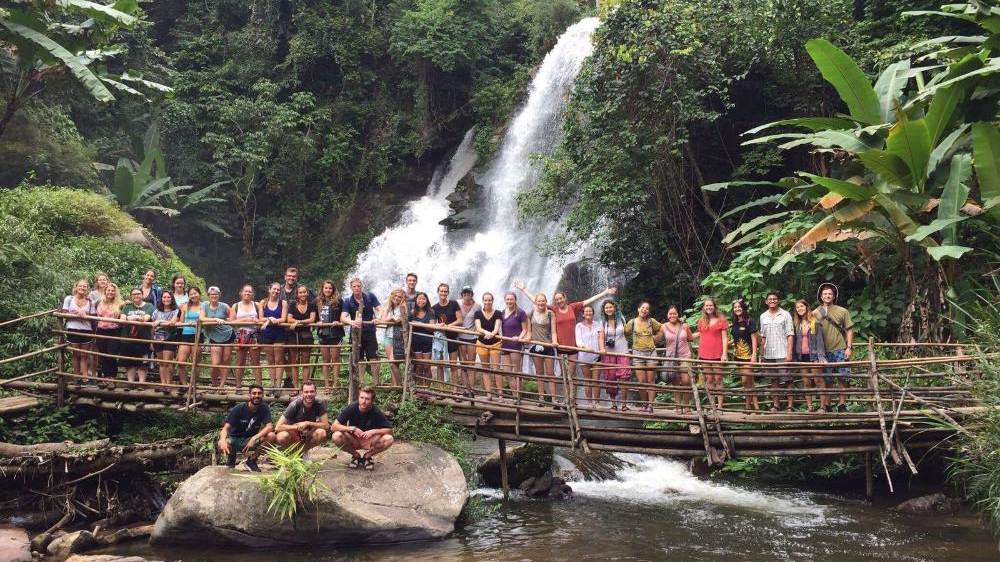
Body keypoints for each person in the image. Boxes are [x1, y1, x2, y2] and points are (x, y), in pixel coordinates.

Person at [515, 282, 617, 402]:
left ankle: (572, 399)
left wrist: (604, 293)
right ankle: (566, 399)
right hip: (560, 347)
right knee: (564, 375)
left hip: (573, 347)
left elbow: (589, 301)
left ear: (565, 298)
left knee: (571, 374)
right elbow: (537, 301)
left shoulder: (573, 307)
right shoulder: (553, 310)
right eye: (557, 299)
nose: (559, 301)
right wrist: (524, 289)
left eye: (561, 298)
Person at [330, 386, 394, 471]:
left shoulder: (376, 411)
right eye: (361, 398)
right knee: (336, 436)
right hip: (353, 439)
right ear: (358, 397)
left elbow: (390, 430)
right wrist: (352, 428)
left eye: (367, 399)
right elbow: (333, 427)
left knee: (389, 439)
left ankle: (367, 457)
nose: (363, 401)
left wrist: (373, 431)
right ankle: (356, 455)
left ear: (372, 401)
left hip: (369, 440)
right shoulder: (352, 407)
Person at [814, 283, 854, 413]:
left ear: (834, 295)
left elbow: (849, 330)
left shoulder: (842, 311)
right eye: (825, 294)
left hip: (840, 348)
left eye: (830, 294)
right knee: (828, 379)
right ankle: (828, 404)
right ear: (821, 296)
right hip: (823, 351)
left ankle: (842, 404)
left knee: (842, 377)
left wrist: (849, 347)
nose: (827, 296)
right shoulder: (815, 313)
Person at [218, 384, 274, 471]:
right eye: (254, 393)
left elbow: (270, 427)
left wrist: (254, 438)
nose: (256, 396)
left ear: (262, 395)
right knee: (221, 443)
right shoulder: (239, 408)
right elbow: (225, 428)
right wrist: (222, 440)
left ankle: (251, 461)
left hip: (251, 440)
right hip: (235, 439)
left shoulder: (264, 407)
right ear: (249, 395)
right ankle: (231, 459)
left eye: (259, 393)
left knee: (271, 436)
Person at [341, 278, 382, 384]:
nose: (356, 288)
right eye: (354, 286)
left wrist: (378, 318)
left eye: (358, 286)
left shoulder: (370, 296)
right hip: (355, 333)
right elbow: (343, 317)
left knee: (373, 357)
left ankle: (376, 383)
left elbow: (380, 309)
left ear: (362, 286)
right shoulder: (347, 301)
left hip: (370, 332)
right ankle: (360, 383)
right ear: (351, 288)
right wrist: (351, 322)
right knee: (359, 359)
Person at [758, 292, 794, 411]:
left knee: (788, 379)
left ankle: (790, 405)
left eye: (774, 299)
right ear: (766, 302)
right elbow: (763, 337)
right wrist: (761, 354)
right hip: (769, 353)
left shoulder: (785, 314)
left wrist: (789, 353)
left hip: (783, 352)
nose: (772, 301)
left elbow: (790, 334)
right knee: (774, 379)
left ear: (778, 301)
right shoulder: (763, 316)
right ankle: (776, 405)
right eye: (770, 299)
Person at [625, 302, 662, 413]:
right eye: (643, 307)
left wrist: (657, 339)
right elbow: (625, 332)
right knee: (641, 381)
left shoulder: (652, 322)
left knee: (651, 380)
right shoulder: (632, 322)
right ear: (638, 309)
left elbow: (663, 328)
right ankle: (644, 403)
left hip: (651, 353)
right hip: (637, 354)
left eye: (647, 308)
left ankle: (650, 405)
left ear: (648, 312)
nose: (644, 310)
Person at [793, 299, 827, 412]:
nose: (799, 309)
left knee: (818, 381)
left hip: (814, 356)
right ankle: (810, 407)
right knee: (806, 382)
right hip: (802, 357)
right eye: (797, 307)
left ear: (807, 307)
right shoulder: (797, 324)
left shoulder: (815, 322)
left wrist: (821, 357)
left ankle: (823, 407)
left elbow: (820, 341)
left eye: (801, 306)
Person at [274, 382, 329, 453]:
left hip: (309, 432)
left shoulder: (319, 403)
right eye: (306, 392)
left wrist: (307, 423)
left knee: (321, 433)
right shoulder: (294, 404)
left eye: (312, 391)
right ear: (302, 393)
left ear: (316, 393)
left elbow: (326, 425)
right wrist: (297, 427)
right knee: (282, 436)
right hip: (292, 433)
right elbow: (278, 427)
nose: (309, 394)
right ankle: (291, 452)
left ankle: (303, 453)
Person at [694, 298, 728, 409]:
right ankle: (712, 404)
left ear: (714, 306)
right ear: (704, 307)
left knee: (718, 379)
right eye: (706, 306)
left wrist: (724, 354)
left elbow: (724, 338)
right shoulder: (701, 321)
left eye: (710, 305)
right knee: (708, 379)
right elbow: (700, 334)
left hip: (718, 354)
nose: (708, 307)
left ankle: (720, 405)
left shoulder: (721, 320)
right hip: (704, 354)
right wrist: (685, 333)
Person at [431, 284, 464, 393]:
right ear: (438, 292)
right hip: (441, 339)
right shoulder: (434, 308)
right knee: (440, 364)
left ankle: (455, 390)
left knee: (453, 364)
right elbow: (432, 324)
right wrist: (439, 326)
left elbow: (460, 320)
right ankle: (441, 389)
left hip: (453, 337)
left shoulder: (454, 304)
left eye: (445, 291)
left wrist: (448, 326)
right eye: (441, 291)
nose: (443, 293)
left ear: (448, 293)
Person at [597, 300, 630, 410]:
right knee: (610, 379)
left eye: (611, 307)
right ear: (604, 310)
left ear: (615, 308)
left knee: (624, 378)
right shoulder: (602, 321)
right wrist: (601, 348)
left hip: (623, 351)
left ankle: (624, 404)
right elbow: (601, 337)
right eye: (606, 308)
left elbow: (627, 332)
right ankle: (614, 404)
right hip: (608, 353)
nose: (609, 309)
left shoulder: (621, 319)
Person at [660, 305, 694, 412]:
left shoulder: (684, 326)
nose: (672, 315)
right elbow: (657, 339)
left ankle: (687, 406)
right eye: (670, 313)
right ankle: (678, 406)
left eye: (674, 313)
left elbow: (691, 338)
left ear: (678, 314)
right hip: (671, 357)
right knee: (674, 381)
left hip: (685, 356)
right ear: (667, 315)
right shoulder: (663, 326)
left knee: (686, 381)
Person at [61, 279, 95, 384]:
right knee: (75, 354)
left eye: (84, 286)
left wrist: (85, 314)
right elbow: (64, 313)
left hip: (86, 329)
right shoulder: (69, 298)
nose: (82, 288)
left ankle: (85, 377)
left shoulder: (90, 301)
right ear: (76, 287)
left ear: (87, 288)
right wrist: (76, 311)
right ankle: (77, 377)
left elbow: (93, 316)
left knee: (84, 355)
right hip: (73, 328)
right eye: (80, 286)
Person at [527, 294, 559, 405]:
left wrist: (554, 342)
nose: (541, 303)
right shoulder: (530, 314)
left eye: (543, 301)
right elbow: (529, 331)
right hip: (536, 346)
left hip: (548, 346)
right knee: (539, 373)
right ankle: (541, 398)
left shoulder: (551, 314)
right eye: (539, 301)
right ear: (535, 302)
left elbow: (554, 331)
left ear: (546, 301)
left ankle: (554, 398)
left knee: (550, 373)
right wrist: (527, 338)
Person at [119, 287, 153, 387]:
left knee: (143, 362)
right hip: (128, 339)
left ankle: (141, 384)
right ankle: (130, 383)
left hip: (143, 339)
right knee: (130, 362)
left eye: (138, 294)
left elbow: (146, 318)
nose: (136, 296)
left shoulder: (148, 306)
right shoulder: (127, 307)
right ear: (131, 296)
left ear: (142, 295)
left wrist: (133, 318)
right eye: (134, 294)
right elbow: (122, 318)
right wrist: (134, 318)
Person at [229, 284, 262, 391]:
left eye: (250, 292)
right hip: (240, 335)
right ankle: (238, 386)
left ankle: (259, 387)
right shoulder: (236, 306)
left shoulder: (257, 305)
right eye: (245, 291)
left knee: (255, 362)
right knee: (240, 362)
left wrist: (258, 321)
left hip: (254, 335)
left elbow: (261, 319)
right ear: (241, 293)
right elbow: (231, 321)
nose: (247, 293)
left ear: (253, 294)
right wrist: (246, 319)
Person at [499, 292, 530, 403]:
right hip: (505, 345)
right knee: (508, 373)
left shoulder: (520, 312)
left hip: (516, 345)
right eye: (507, 299)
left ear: (515, 300)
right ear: (505, 300)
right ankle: (514, 396)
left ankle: (518, 398)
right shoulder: (502, 313)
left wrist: (519, 337)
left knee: (516, 372)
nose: (509, 301)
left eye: (511, 299)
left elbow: (525, 329)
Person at [286, 286, 317, 391]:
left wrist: (298, 322)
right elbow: (289, 319)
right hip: (293, 335)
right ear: (297, 294)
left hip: (306, 335)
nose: (303, 294)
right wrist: (300, 321)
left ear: (307, 293)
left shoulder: (312, 304)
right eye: (301, 292)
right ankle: (295, 388)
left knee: (305, 362)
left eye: (304, 292)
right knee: (294, 362)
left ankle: (305, 388)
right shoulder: (293, 304)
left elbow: (312, 319)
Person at [730, 299, 759, 411]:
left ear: (743, 308)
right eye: (735, 307)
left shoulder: (749, 321)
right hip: (738, 356)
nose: (737, 309)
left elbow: (754, 338)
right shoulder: (735, 323)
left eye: (739, 307)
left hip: (748, 355)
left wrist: (754, 354)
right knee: (749, 381)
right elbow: (735, 339)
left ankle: (748, 404)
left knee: (745, 380)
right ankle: (755, 405)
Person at [175, 287, 207, 390]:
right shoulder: (185, 307)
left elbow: (205, 320)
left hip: (198, 336)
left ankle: (193, 386)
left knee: (195, 363)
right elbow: (181, 321)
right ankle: (184, 384)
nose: (193, 296)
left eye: (195, 293)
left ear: (199, 293)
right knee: (181, 361)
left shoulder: (204, 306)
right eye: (191, 294)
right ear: (188, 296)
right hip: (186, 335)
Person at [315, 280, 345, 388]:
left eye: (330, 288)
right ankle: (327, 384)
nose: (328, 290)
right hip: (323, 333)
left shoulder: (339, 301)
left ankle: (336, 384)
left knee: (335, 359)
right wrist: (316, 322)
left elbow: (344, 316)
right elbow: (314, 316)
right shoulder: (318, 301)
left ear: (333, 289)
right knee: (326, 359)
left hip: (336, 333)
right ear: (322, 289)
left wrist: (339, 322)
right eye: (326, 288)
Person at [259, 282, 288, 395]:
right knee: (270, 360)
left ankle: (278, 386)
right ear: (269, 290)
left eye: (278, 290)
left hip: (279, 333)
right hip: (267, 333)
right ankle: (272, 385)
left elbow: (283, 318)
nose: (276, 291)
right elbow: (260, 317)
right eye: (274, 289)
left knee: (279, 360)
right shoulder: (263, 302)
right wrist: (270, 319)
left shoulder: (283, 303)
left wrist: (269, 321)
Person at [474, 293, 503, 401]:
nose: (487, 302)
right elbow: (478, 327)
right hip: (481, 343)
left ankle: (500, 395)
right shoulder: (478, 313)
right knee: (485, 369)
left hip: (495, 343)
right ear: (483, 301)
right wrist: (488, 333)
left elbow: (496, 328)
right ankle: (489, 394)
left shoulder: (498, 313)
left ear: (492, 301)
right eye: (485, 300)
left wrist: (492, 333)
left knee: (496, 369)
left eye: (489, 300)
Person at [203, 286, 234, 388]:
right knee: (215, 363)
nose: (214, 296)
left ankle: (222, 385)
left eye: (216, 294)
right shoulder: (205, 306)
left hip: (228, 334)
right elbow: (201, 318)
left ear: (219, 295)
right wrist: (215, 319)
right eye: (212, 294)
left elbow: (234, 318)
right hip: (214, 336)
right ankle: (214, 384)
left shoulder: (225, 306)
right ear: (208, 296)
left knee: (226, 361)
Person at [93, 283, 124, 383]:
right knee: (103, 354)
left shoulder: (120, 304)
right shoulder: (99, 302)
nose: (110, 292)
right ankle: (106, 377)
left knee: (111, 354)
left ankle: (112, 378)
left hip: (115, 331)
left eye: (112, 291)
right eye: (108, 290)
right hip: (101, 331)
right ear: (105, 291)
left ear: (115, 292)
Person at [151, 291, 180, 392]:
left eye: (168, 297)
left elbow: (172, 322)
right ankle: (163, 384)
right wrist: (151, 341)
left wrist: (159, 321)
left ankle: (169, 384)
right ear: (161, 299)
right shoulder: (156, 311)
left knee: (167, 362)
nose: (166, 299)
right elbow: (152, 326)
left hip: (170, 337)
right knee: (161, 363)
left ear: (172, 299)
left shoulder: (175, 310)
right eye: (164, 297)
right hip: (157, 338)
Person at [378, 289, 407, 387]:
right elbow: (382, 320)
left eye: (399, 297)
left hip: (398, 337)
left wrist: (397, 319)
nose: (397, 298)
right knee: (393, 364)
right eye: (395, 296)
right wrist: (391, 318)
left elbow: (403, 319)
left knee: (392, 363)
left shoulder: (402, 307)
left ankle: (399, 385)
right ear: (392, 296)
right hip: (388, 336)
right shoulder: (388, 307)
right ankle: (394, 385)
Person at [574, 305, 601, 408]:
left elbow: (601, 338)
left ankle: (597, 403)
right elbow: (578, 340)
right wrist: (585, 347)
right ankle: (589, 403)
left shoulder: (598, 325)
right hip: (584, 355)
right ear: (583, 314)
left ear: (593, 313)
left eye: (590, 311)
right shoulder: (579, 326)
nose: (588, 313)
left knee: (596, 380)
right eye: (586, 312)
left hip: (597, 356)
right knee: (587, 380)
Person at [457, 286, 482, 396]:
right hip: (460, 337)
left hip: (472, 337)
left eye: (468, 292)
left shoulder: (477, 306)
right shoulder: (457, 303)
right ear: (462, 294)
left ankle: (471, 388)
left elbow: (479, 320)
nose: (466, 294)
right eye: (465, 292)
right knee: (463, 364)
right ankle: (464, 389)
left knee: (471, 364)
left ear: (472, 294)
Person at [408, 292, 436, 388]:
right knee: (419, 365)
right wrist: (425, 325)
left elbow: (432, 328)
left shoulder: (430, 312)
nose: (421, 301)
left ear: (426, 300)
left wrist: (418, 323)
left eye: (423, 299)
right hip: (416, 342)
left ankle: (427, 388)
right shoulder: (412, 313)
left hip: (427, 342)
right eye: (419, 299)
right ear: (416, 300)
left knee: (426, 365)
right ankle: (419, 388)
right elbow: (408, 326)